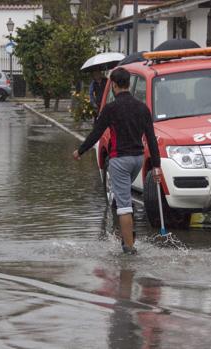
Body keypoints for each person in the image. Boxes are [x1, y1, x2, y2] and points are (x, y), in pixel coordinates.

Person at [72, 68, 162, 255]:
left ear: (113, 85)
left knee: (123, 206)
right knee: (126, 198)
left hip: (120, 160)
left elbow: (96, 133)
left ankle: (129, 249)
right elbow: (151, 139)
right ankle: (129, 235)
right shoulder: (142, 107)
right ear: (128, 83)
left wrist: (80, 151)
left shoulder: (111, 109)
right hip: (138, 159)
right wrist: (156, 166)